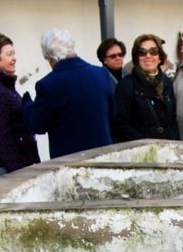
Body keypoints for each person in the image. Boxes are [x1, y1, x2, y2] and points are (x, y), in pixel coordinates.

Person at [22, 28, 115, 159]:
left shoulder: (48, 84)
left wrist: (27, 104)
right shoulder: (100, 73)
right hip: (103, 155)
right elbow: (112, 114)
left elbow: (37, 125)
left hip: (70, 161)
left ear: (49, 57)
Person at [0, 31, 40, 177]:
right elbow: (2, 136)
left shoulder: (2, 83)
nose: (14, 58)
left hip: (19, 160)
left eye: (13, 53)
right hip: (8, 166)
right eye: (9, 54)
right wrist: (17, 174)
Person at [113, 34, 179, 142]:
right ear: (137, 58)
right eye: (142, 52)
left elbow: (172, 117)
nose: (148, 55)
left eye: (153, 51)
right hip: (141, 149)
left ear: (160, 57)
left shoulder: (167, 81)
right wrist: (145, 144)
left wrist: (174, 142)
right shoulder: (125, 85)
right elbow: (121, 123)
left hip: (168, 147)